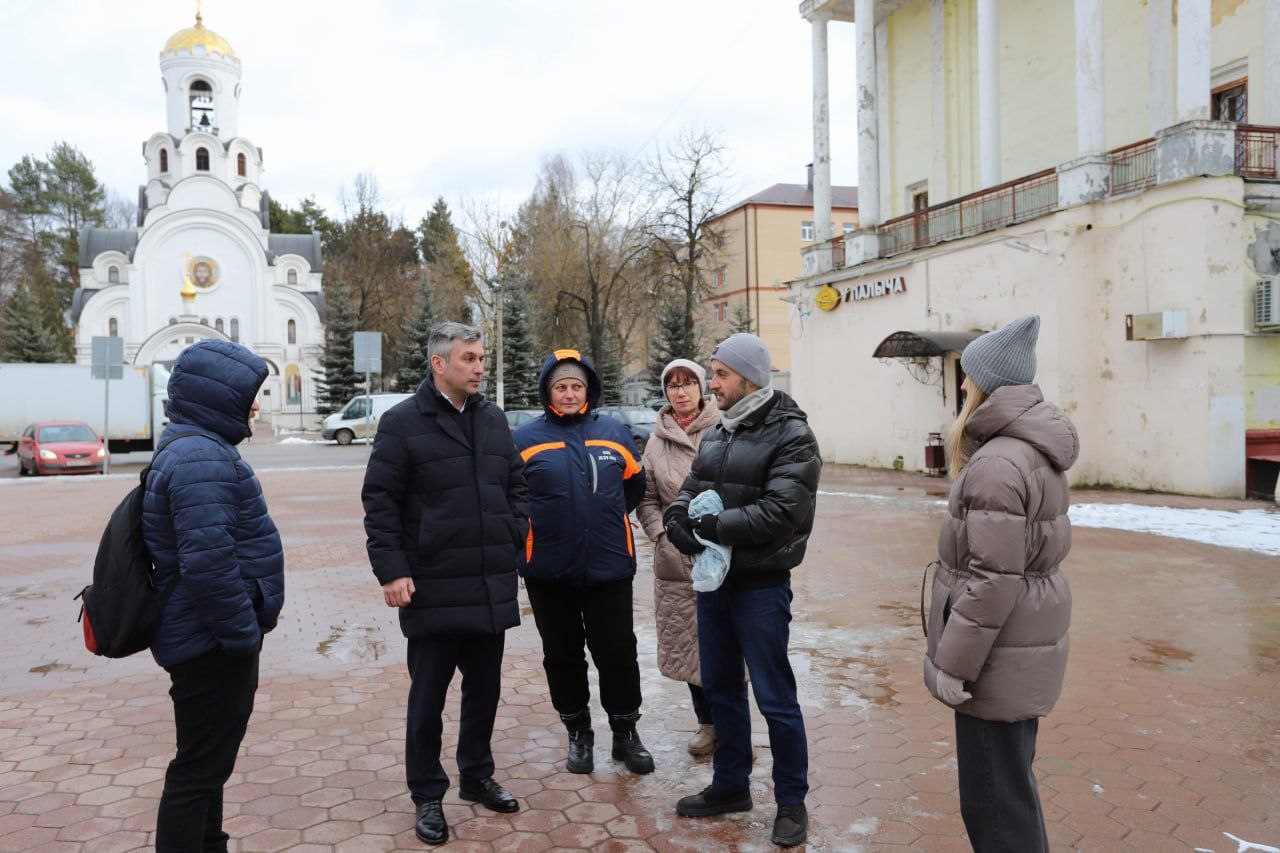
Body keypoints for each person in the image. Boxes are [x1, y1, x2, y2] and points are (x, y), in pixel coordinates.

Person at [362, 322, 527, 846]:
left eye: (482, 358)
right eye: (470, 359)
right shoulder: (401, 423)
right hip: (431, 584)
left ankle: (477, 777)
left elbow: (516, 485)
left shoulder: (494, 419)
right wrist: (392, 570)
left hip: (487, 582)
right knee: (428, 698)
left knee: (485, 692)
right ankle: (428, 795)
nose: (481, 367)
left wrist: (513, 532)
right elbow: (380, 502)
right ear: (439, 364)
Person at [923, 315, 1076, 853]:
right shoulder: (1027, 450)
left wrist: (952, 665)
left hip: (995, 659)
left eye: (968, 375)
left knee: (993, 808)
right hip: (1017, 649)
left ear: (989, 383)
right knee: (1010, 794)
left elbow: (992, 581)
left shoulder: (996, 463)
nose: (962, 385)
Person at [663, 333, 821, 848]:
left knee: (776, 698)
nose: (712, 383)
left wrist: (710, 529)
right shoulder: (719, 432)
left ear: (748, 378)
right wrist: (677, 518)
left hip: (760, 586)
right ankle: (730, 787)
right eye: (713, 373)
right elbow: (690, 489)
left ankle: (791, 802)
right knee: (723, 690)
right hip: (715, 586)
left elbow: (782, 513)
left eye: (720, 374)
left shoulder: (792, 434)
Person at [143, 339, 285, 852]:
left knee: (206, 763)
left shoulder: (196, 447)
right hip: (211, 643)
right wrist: (243, 636)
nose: (255, 405)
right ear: (217, 395)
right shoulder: (201, 456)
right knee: (198, 769)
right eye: (249, 394)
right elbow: (208, 565)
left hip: (204, 637)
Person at [512, 349, 654, 776]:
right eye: (561, 386)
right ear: (547, 392)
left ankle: (625, 733)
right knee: (562, 655)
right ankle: (578, 732)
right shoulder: (524, 441)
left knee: (617, 653)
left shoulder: (614, 433)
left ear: (588, 389)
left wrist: (604, 521)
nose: (570, 393)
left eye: (577, 386)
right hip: (548, 570)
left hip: (609, 566)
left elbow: (633, 489)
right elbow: (512, 500)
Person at [635, 358, 721, 756]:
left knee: (726, 644)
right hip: (676, 557)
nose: (681, 391)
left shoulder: (724, 427)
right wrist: (661, 534)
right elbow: (647, 498)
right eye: (673, 385)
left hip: (723, 551)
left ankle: (732, 725)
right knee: (689, 644)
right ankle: (707, 725)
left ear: (703, 388)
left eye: (689, 383)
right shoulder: (657, 440)